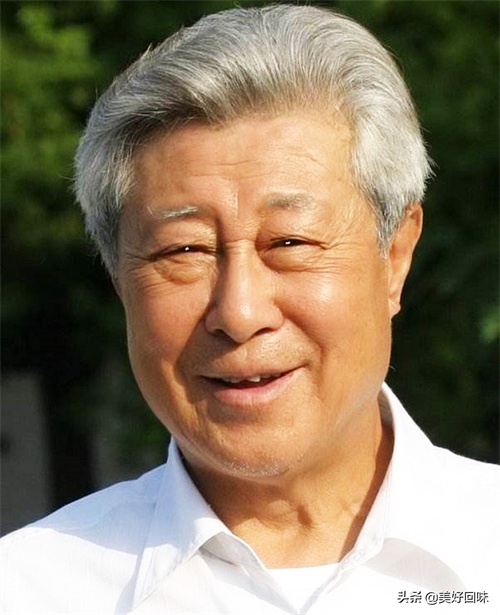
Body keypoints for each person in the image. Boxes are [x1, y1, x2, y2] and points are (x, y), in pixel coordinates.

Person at [1, 4, 498, 614]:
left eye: (289, 242)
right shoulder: (31, 589)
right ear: (119, 280)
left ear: (394, 256)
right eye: (184, 250)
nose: (238, 312)